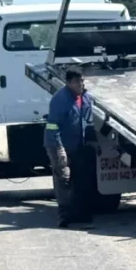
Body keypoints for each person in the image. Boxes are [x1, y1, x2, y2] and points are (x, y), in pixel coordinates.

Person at [44, 67, 97, 227]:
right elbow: (53, 126)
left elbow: (87, 121)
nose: (80, 84)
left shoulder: (86, 97)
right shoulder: (60, 100)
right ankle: (64, 216)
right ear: (68, 83)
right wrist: (59, 150)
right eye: (76, 82)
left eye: (81, 80)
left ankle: (80, 214)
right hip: (59, 145)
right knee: (64, 180)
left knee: (81, 179)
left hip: (78, 145)